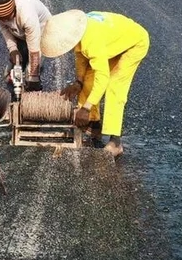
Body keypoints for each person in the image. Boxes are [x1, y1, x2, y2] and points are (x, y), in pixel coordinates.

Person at [40, 10, 150, 157]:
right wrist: (78, 82)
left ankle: (115, 142)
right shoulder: (79, 31)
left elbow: (102, 77)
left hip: (134, 43)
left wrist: (85, 108)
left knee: (114, 87)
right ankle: (94, 125)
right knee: (87, 81)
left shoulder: (92, 41)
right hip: (111, 42)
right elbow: (81, 57)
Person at [0, 0, 52, 92]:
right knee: (14, 67)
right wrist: (13, 49)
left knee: (32, 71)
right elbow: (5, 29)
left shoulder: (27, 15)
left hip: (41, 31)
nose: (5, 21)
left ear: (14, 9)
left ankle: (33, 93)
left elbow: (34, 48)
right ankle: (14, 94)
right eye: (1, 19)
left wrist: (33, 76)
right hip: (20, 29)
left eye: (7, 18)